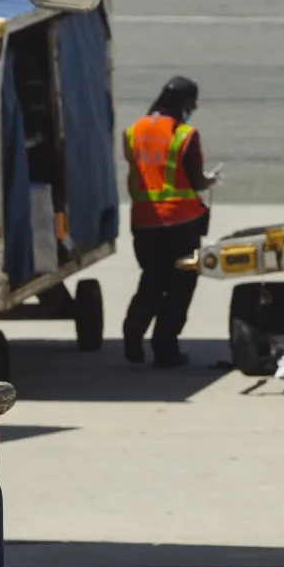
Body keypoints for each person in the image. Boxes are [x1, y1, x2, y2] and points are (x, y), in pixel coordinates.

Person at [121, 75, 218, 368]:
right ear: (184, 102)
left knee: (152, 277)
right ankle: (165, 347)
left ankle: (133, 330)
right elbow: (196, 180)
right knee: (181, 284)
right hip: (181, 222)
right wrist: (209, 181)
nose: (193, 108)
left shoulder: (133, 131)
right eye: (192, 103)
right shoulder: (185, 134)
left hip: (144, 221)